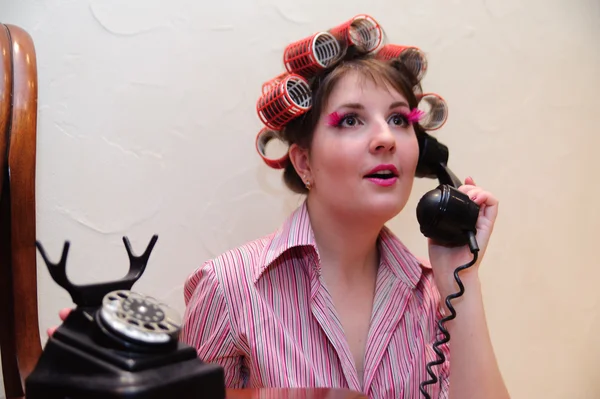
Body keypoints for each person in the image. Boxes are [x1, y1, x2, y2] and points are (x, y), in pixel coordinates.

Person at [49, 17, 510, 399]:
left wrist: (461, 278)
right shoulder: (229, 288)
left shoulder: (436, 297)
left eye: (398, 119)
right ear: (303, 160)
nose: (386, 138)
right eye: (351, 119)